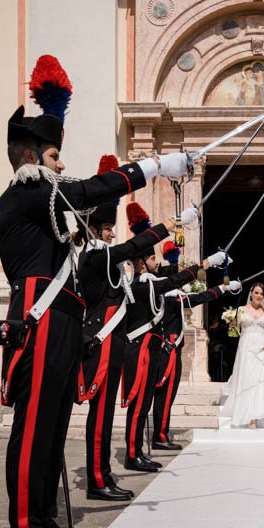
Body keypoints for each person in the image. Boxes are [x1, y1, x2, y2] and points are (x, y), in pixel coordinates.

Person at [0, 54, 191, 528]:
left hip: (61, 319)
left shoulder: (48, 200)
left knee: (54, 427)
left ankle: (46, 523)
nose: (62, 163)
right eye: (55, 154)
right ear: (31, 154)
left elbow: (87, 211)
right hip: (39, 317)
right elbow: (87, 191)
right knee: (35, 426)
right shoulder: (25, 192)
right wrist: (149, 168)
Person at [78, 158, 174, 502]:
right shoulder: (92, 257)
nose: (112, 233)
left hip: (114, 344)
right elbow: (129, 249)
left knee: (105, 418)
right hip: (101, 345)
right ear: (94, 229)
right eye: (107, 228)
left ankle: (102, 474)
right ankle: (97, 479)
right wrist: (167, 226)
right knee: (100, 416)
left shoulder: (110, 263)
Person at [121, 206, 223, 472]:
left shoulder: (148, 282)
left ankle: (138, 451)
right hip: (143, 350)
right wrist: (205, 265)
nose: (158, 263)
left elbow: (178, 285)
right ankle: (133, 453)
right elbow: (174, 279)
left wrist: (217, 285)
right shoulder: (144, 285)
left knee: (145, 404)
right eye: (153, 259)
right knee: (140, 405)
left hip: (151, 349)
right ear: (143, 262)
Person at [151, 241, 238, 448]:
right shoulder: (170, 297)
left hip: (170, 348)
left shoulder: (172, 296)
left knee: (167, 395)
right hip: (167, 349)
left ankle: (161, 434)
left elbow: (199, 297)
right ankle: (160, 436)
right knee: (165, 394)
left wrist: (222, 288)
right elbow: (199, 298)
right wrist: (223, 288)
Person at [223, 283, 264, 427]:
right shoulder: (242, 310)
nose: (259, 296)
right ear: (251, 294)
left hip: (263, 347)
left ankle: (255, 415)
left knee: (259, 380)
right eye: (256, 293)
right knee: (248, 379)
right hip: (246, 347)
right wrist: (231, 323)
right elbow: (234, 332)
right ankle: (247, 413)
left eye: (261, 294)